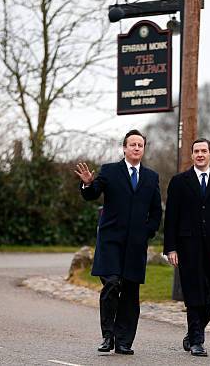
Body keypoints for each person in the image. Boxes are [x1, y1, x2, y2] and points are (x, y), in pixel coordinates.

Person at [75, 129, 162, 355]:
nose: (136, 148)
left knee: (131, 292)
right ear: (124, 148)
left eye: (140, 145)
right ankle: (108, 335)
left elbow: (155, 211)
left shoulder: (152, 177)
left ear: (143, 149)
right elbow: (93, 193)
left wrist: (147, 232)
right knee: (112, 283)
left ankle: (124, 342)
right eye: (132, 144)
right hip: (111, 241)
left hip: (135, 245)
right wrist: (87, 184)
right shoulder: (110, 171)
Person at [164, 138, 210, 357]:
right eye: (196, 151)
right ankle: (197, 341)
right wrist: (171, 248)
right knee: (194, 295)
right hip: (188, 247)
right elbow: (171, 219)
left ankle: (192, 333)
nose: (200, 154)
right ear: (192, 155)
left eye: (204, 151)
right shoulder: (179, 182)